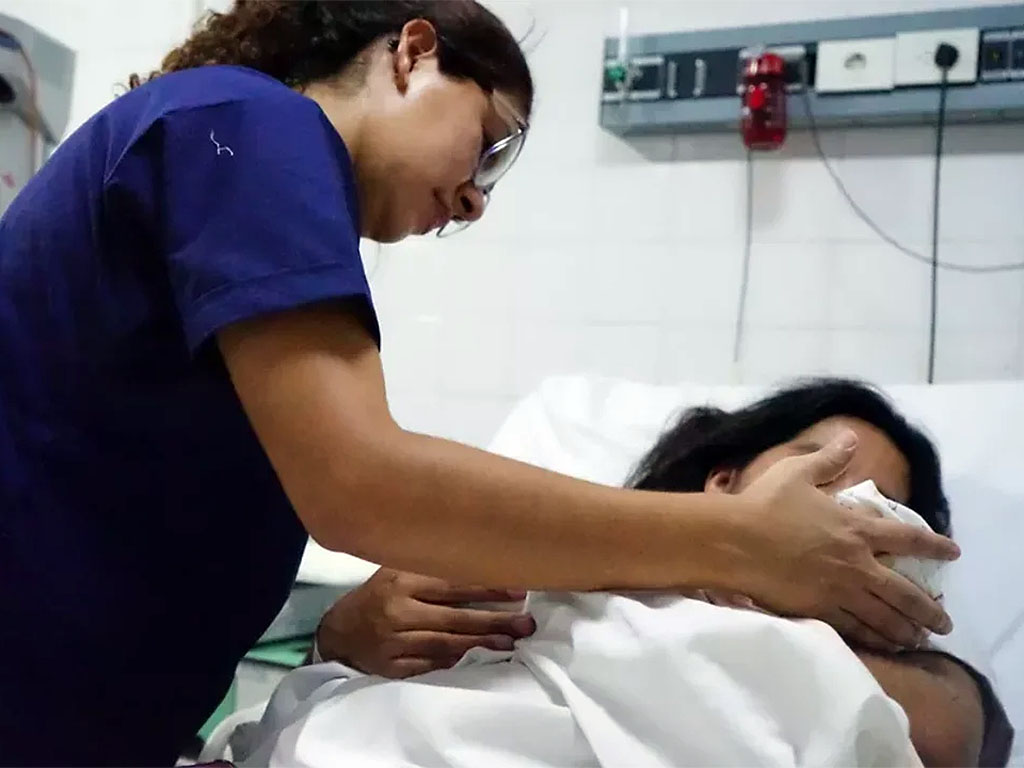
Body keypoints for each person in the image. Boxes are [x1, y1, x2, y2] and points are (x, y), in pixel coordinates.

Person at [0, 2, 958, 764]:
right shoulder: (249, 122)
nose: (472, 203)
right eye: (493, 146)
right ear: (413, 53)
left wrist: (340, 630)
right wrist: (741, 544)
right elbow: (363, 485)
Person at [276, 380, 1015, 767]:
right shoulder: (544, 567)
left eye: (877, 509)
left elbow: (949, 739)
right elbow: (345, 692)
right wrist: (339, 638)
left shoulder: (908, 676)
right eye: (818, 471)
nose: (840, 510)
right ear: (723, 481)